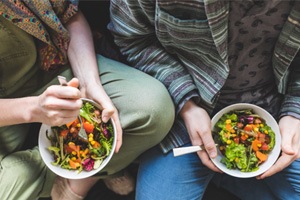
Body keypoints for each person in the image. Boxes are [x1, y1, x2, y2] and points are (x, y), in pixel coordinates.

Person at [108, 0, 300, 199]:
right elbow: (132, 38)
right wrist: (187, 106)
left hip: (277, 110)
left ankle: (228, 177)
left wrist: (295, 110)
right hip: (181, 113)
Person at [0, 1, 175, 200]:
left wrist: (89, 84)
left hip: (53, 63)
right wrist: (31, 109)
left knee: (153, 108)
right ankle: (92, 170)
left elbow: (70, 16)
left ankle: (80, 175)